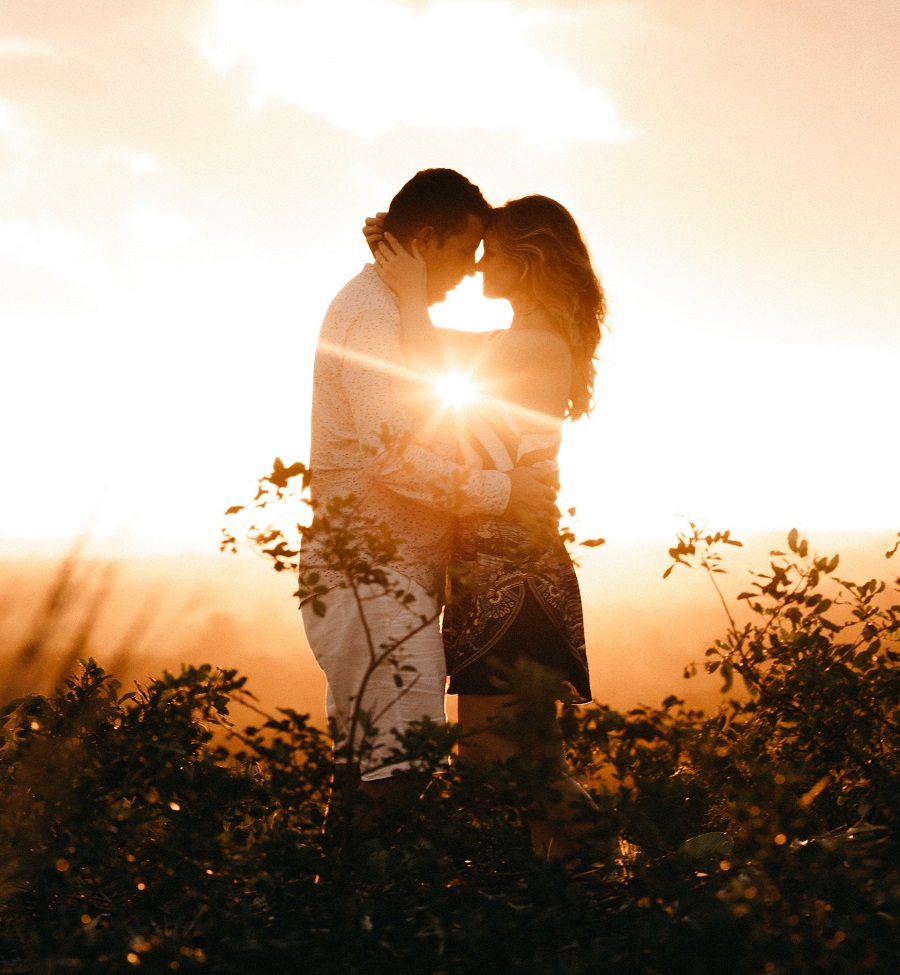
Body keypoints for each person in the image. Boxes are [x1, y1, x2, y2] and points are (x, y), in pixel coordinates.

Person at [298, 169, 559, 840]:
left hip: (386, 578)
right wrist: (503, 492)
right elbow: (393, 457)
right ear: (429, 239)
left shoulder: (389, 311)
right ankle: (359, 922)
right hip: (368, 577)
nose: (471, 274)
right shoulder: (370, 316)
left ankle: (332, 921)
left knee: (369, 764)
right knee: (402, 765)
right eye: (465, 253)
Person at [370, 194, 607, 860]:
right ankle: (576, 892)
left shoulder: (532, 343)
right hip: (504, 567)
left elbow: (420, 357)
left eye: (493, 253)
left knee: (495, 759)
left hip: (514, 573)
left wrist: (411, 282)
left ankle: (611, 860)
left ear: (529, 260)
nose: (476, 269)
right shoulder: (524, 338)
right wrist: (402, 273)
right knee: (534, 758)